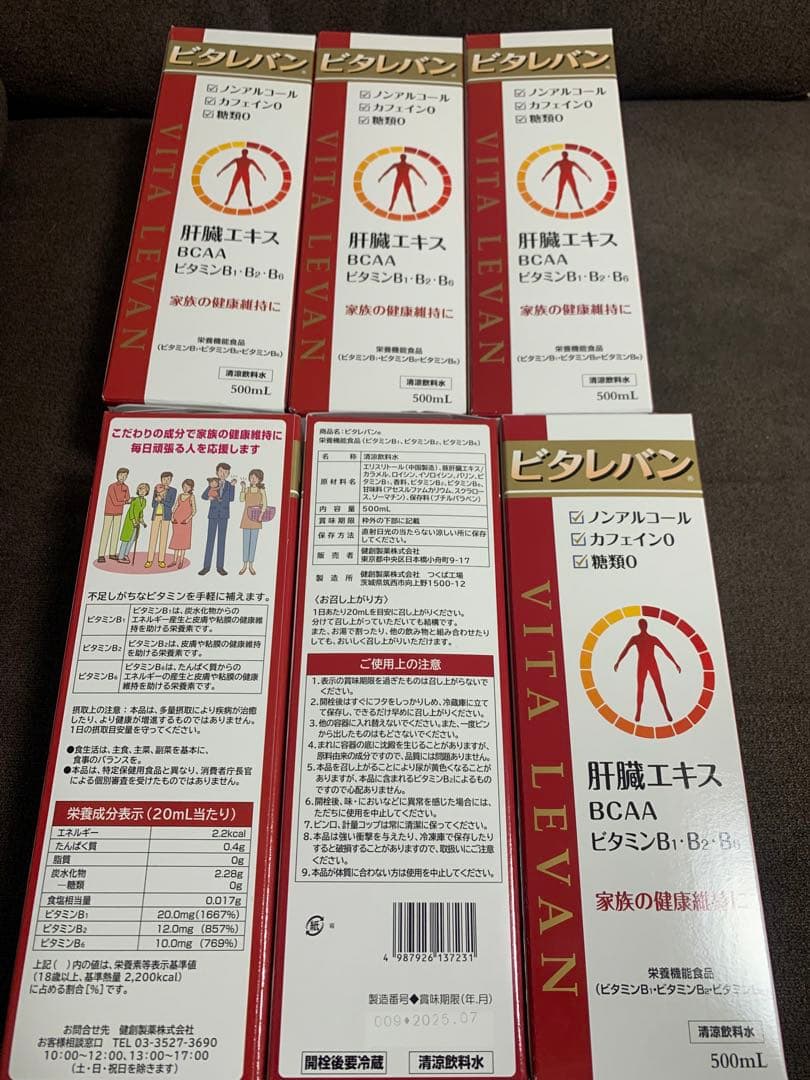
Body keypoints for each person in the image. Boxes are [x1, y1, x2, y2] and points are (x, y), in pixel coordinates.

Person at [614, 618, 682, 724]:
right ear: (640, 626)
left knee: (659, 687)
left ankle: (666, 710)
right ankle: (638, 711)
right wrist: (618, 661)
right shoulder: (635, 638)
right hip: (642, 665)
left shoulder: (652, 638)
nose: (643, 627)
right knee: (641, 688)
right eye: (642, 625)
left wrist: (675, 663)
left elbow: (665, 650)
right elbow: (625, 650)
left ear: (646, 626)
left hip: (652, 664)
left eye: (644, 625)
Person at [199, 463, 235, 576]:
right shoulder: (213, 483)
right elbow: (203, 495)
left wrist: (233, 487)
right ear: (217, 472)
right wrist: (208, 497)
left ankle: (220, 567)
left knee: (221, 541)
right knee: (210, 540)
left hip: (224, 515)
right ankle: (206, 567)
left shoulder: (229, 485)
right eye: (221, 471)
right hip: (213, 514)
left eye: (226, 472)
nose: (223, 474)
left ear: (228, 474)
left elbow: (231, 498)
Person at [144, 471, 177, 569]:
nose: (166, 481)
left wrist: (161, 500)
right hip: (156, 516)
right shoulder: (157, 488)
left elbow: (170, 504)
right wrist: (156, 500)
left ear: (171, 480)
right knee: (153, 538)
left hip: (166, 517)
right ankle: (149, 560)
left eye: (168, 479)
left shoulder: (173, 490)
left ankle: (161, 560)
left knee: (163, 539)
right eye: (164, 479)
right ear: (161, 479)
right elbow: (152, 504)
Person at [239, 469, 268, 576]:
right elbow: (241, 499)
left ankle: (251, 565)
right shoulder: (247, 489)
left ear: (260, 479)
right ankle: (244, 565)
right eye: (251, 477)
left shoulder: (261, 490)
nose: (253, 479)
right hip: (246, 517)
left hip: (257, 518)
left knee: (253, 542)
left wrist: (261, 515)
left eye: (255, 477)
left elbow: (264, 504)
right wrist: (243, 489)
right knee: (245, 542)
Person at [98, 468, 130, 562]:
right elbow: (115, 501)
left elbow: (128, 498)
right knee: (106, 532)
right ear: (117, 475)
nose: (123, 477)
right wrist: (125, 502)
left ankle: (112, 553)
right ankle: (101, 555)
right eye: (121, 475)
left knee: (116, 533)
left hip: (119, 512)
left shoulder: (126, 487)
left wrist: (127, 501)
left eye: (125, 476)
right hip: (109, 512)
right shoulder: (111, 486)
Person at [117, 483, 149, 563]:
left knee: (132, 539)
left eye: (144, 490)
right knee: (126, 538)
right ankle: (120, 556)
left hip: (137, 522)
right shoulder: (135, 500)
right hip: (130, 521)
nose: (142, 492)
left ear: (146, 492)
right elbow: (131, 511)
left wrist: (142, 522)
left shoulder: (144, 501)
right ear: (138, 490)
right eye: (140, 490)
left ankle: (125, 554)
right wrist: (134, 521)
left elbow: (141, 512)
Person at [168, 479, 196, 568]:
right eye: (184, 486)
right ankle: (174, 560)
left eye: (187, 487)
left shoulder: (191, 497)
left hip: (185, 522)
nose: (185, 488)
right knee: (176, 540)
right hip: (177, 520)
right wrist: (172, 517)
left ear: (191, 488)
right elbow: (175, 507)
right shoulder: (180, 495)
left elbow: (194, 511)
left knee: (183, 541)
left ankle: (181, 561)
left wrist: (187, 519)